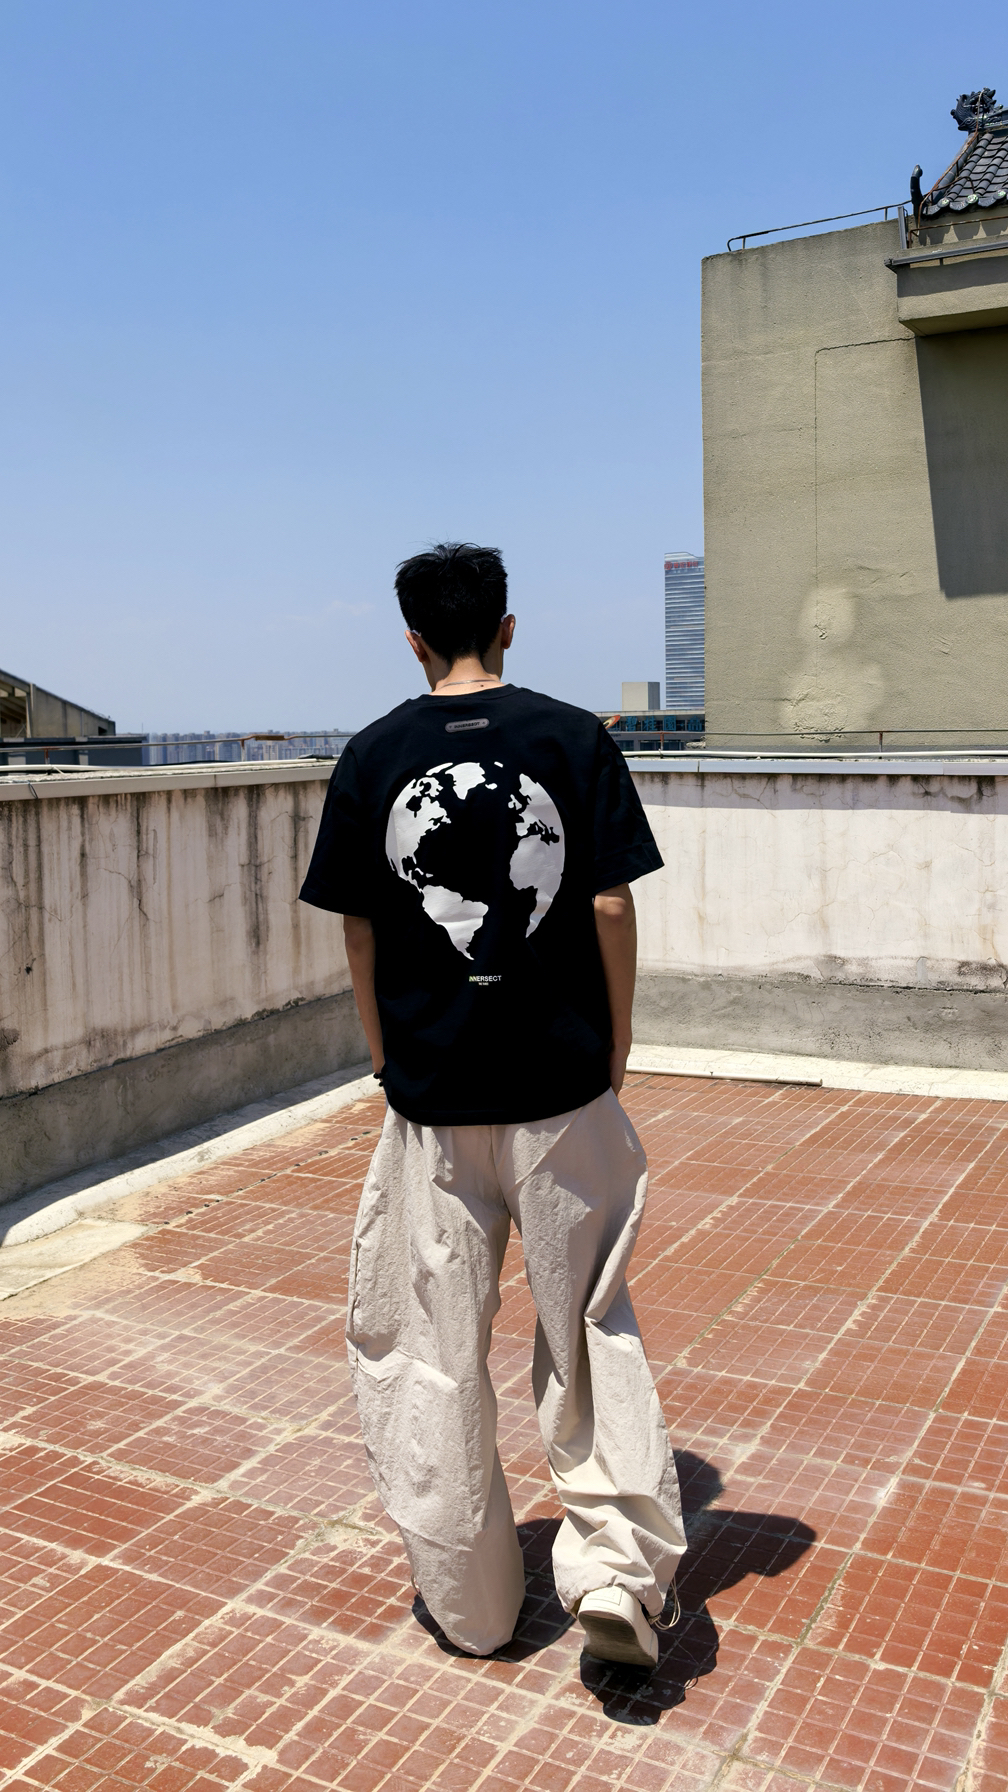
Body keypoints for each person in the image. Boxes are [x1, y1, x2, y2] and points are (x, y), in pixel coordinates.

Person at [299, 542, 685, 1668]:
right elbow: (607, 904)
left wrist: (385, 1054)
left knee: (429, 1346)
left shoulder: (373, 756)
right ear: (509, 627)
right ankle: (614, 1574)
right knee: (589, 1325)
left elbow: (361, 928)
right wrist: (617, 1039)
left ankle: (469, 1603)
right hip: (562, 1092)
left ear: (412, 639)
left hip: (433, 1103)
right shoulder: (573, 738)